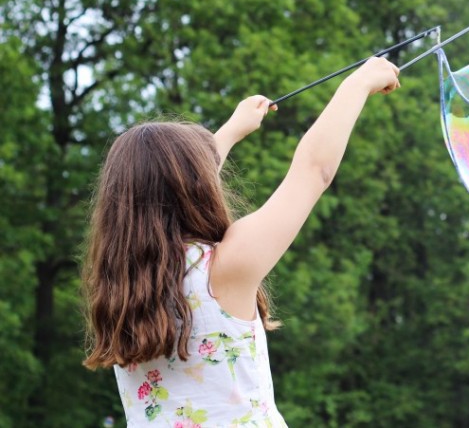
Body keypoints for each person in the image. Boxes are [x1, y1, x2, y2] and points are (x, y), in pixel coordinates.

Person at [82, 57, 401, 426]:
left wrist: (231, 130)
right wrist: (356, 84)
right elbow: (314, 171)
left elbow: (166, 190)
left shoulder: (122, 290)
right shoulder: (223, 269)